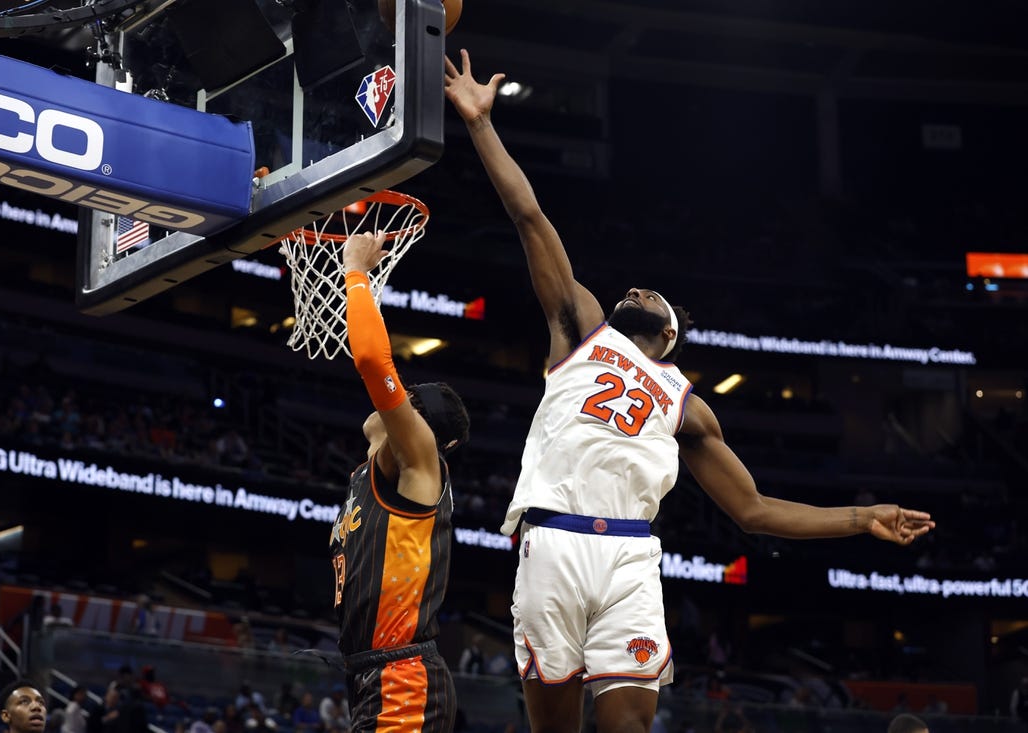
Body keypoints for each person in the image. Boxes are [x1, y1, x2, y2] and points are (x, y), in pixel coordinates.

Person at [444, 48, 938, 733]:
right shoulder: (583, 329)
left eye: (649, 291)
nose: (634, 287)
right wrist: (479, 125)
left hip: (629, 555)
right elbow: (531, 218)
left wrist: (862, 517)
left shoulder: (688, 404)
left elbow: (755, 509)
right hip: (551, 540)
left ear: (669, 332)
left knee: (629, 727)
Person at [328, 230, 471, 731]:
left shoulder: (420, 459)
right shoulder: (377, 470)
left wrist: (356, 272)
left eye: (407, 397)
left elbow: (371, 359)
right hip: (373, 678)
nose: (394, 397)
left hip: (403, 680)